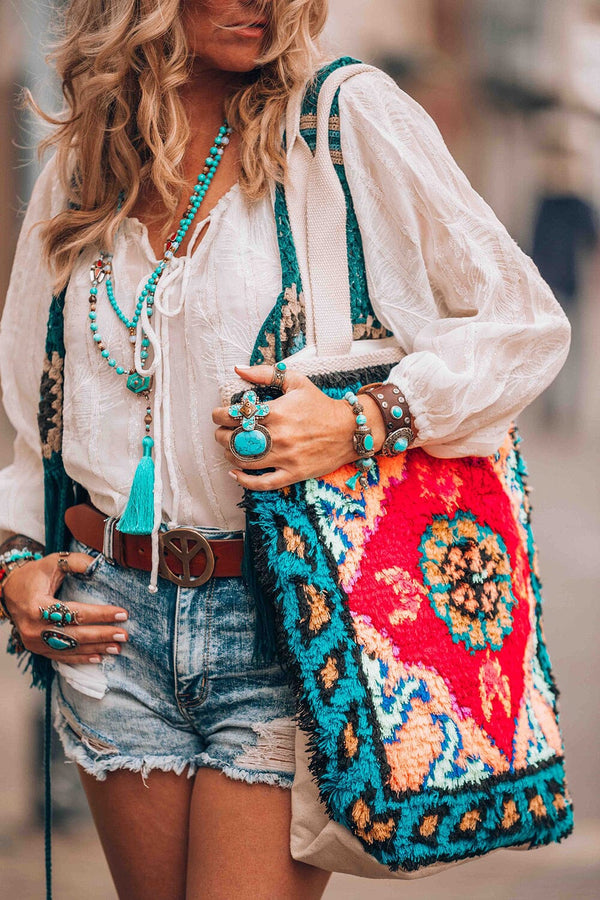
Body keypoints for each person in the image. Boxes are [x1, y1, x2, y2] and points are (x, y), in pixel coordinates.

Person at [0, 1, 570, 898]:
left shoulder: (343, 118)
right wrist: (17, 560)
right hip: (109, 626)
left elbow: (525, 326)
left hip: (280, 624)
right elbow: (38, 407)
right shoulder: (83, 158)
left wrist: (369, 418)